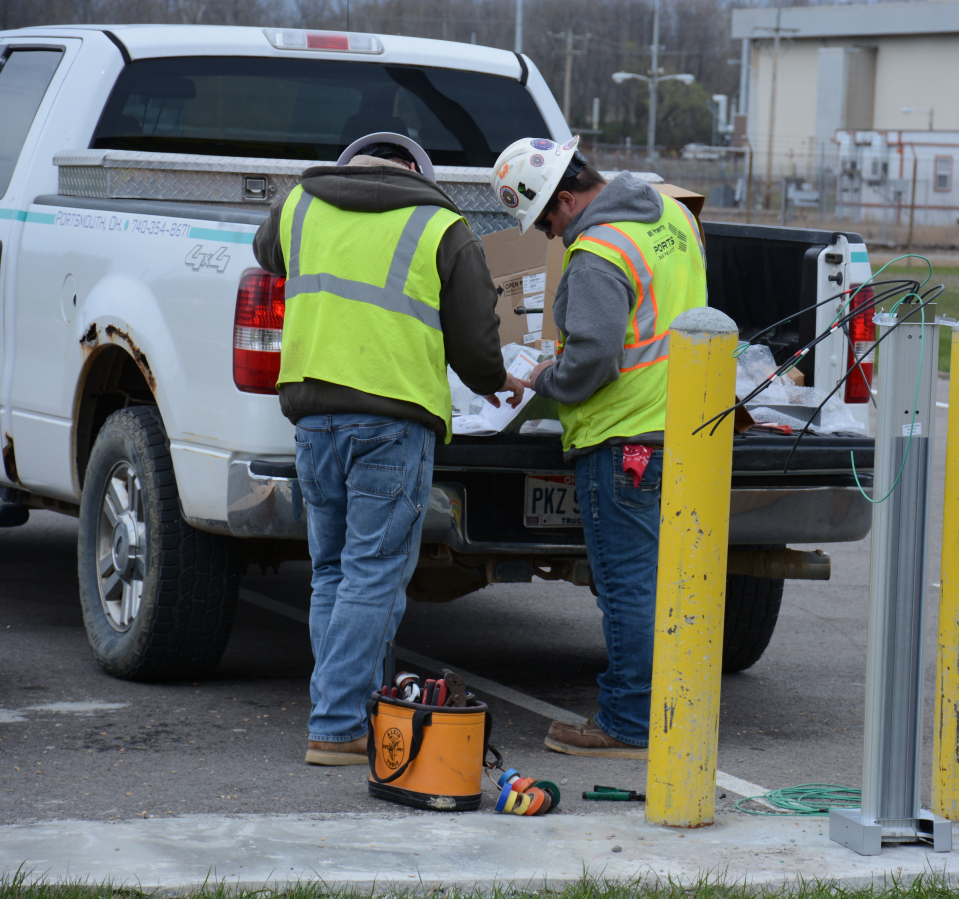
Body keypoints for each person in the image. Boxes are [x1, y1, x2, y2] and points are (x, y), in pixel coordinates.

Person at [253, 132, 526, 766]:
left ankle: (351, 713)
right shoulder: (439, 223)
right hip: (392, 421)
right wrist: (497, 381)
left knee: (332, 572)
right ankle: (337, 723)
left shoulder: (300, 204)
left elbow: (266, 253)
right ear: (417, 171)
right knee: (373, 577)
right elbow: (475, 336)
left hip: (314, 419)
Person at [490, 136, 707, 758]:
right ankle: (669, 708)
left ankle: (628, 723)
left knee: (627, 584)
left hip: (623, 437)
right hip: (681, 425)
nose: (552, 237)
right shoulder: (668, 214)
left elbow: (592, 358)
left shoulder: (597, 252)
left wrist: (542, 383)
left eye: (548, 222)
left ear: (564, 197)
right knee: (669, 580)